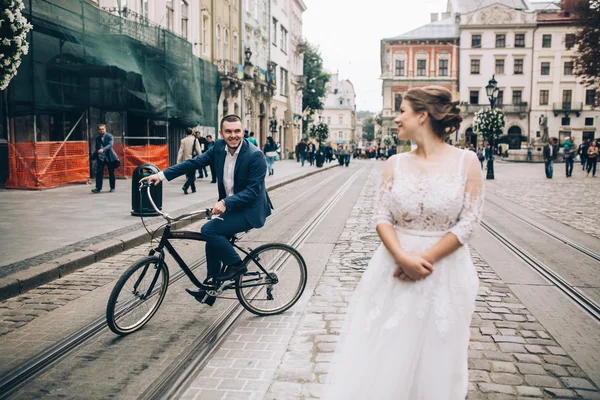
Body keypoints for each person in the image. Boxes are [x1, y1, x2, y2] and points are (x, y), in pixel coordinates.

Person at [321, 86, 483, 400]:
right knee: (386, 349)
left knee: (436, 357)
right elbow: (381, 216)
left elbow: (469, 222)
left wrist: (424, 259)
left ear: (422, 116)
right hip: (391, 268)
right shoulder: (394, 163)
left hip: (444, 272)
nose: (397, 119)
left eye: (403, 112)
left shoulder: (467, 162)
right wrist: (401, 257)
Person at [141, 115, 273, 304]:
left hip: (250, 210)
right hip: (231, 207)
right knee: (212, 238)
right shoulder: (218, 147)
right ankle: (211, 286)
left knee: (209, 230)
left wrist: (226, 203)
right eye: (228, 131)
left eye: (237, 131)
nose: (233, 135)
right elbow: (193, 163)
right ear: (221, 133)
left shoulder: (255, 155)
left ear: (243, 131)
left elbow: (253, 191)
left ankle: (236, 266)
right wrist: (161, 175)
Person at [91, 124, 119, 193]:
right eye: (100, 129)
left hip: (109, 157)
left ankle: (112, 187)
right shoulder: (97, 137)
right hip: (101, 157)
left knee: (111, 172)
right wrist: (93, 156)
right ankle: (98, 188)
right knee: (99, 172)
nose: (101, 130)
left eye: (102, 129)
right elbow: (97, 148)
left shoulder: (109, 136)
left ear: (105, 129)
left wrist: (103, 149)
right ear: (98, 130)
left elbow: (110, 145)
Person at [177, 128, 202, 194]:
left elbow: (180, 151)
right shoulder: (195, 140)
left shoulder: (183, 140)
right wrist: (201, 159)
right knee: (192, 176)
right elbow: (199, 151)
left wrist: (178, 161)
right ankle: (185, 186)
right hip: (193, 160)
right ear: (192, 132)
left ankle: (193, 188)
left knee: (190, 175)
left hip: (186, 160)